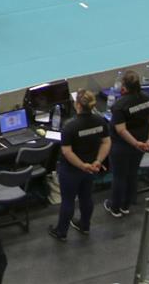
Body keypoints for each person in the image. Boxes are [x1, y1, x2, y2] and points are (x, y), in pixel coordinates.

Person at [48, 89, 109, 241]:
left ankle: (61, 232)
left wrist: (82, 165)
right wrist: (97, 161)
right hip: (92, 168)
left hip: (71, 170)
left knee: (68, 201)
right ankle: (85, 225)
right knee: (86, 197)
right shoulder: (100, 121)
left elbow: (67, 152)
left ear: (78, 106)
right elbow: (106, 142)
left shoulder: (70, 126)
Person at [105, 70, 149, 217]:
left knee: (119, 176)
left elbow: (121, 130)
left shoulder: (120, 105)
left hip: (122, 146)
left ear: (124, 88)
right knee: (132, 173)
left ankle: (115, 208)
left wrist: (135, 143)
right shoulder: (147, 98)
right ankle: (126, 205)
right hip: (141, 144)